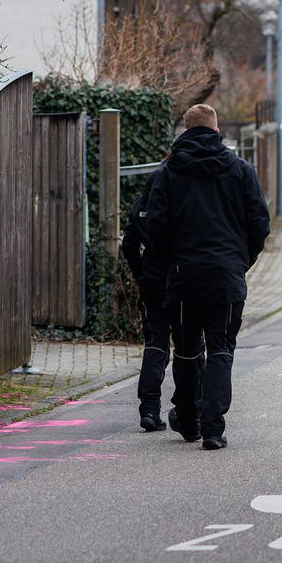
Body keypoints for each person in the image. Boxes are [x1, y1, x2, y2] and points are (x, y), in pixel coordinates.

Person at [144, 103, 271, 450]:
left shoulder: (168, 173)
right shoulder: (240, 170)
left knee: (185, 351)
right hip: (226, 277)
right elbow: (259, 224)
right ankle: (213, 428)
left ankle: (188, 420)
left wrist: (172, 263)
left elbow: (155, 227)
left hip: (184, 277)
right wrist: (240, 262)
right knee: (220, 351)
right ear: (217, 130)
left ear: (184, 131)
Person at [120, 166, 173, 432]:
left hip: (151, 281)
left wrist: (141, 273)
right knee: (190, 344)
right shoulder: (177, 202)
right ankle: (190, 406)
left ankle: (149, 409)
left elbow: (128, 245)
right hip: (179, 278)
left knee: (156, 343)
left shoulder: (141, 204)